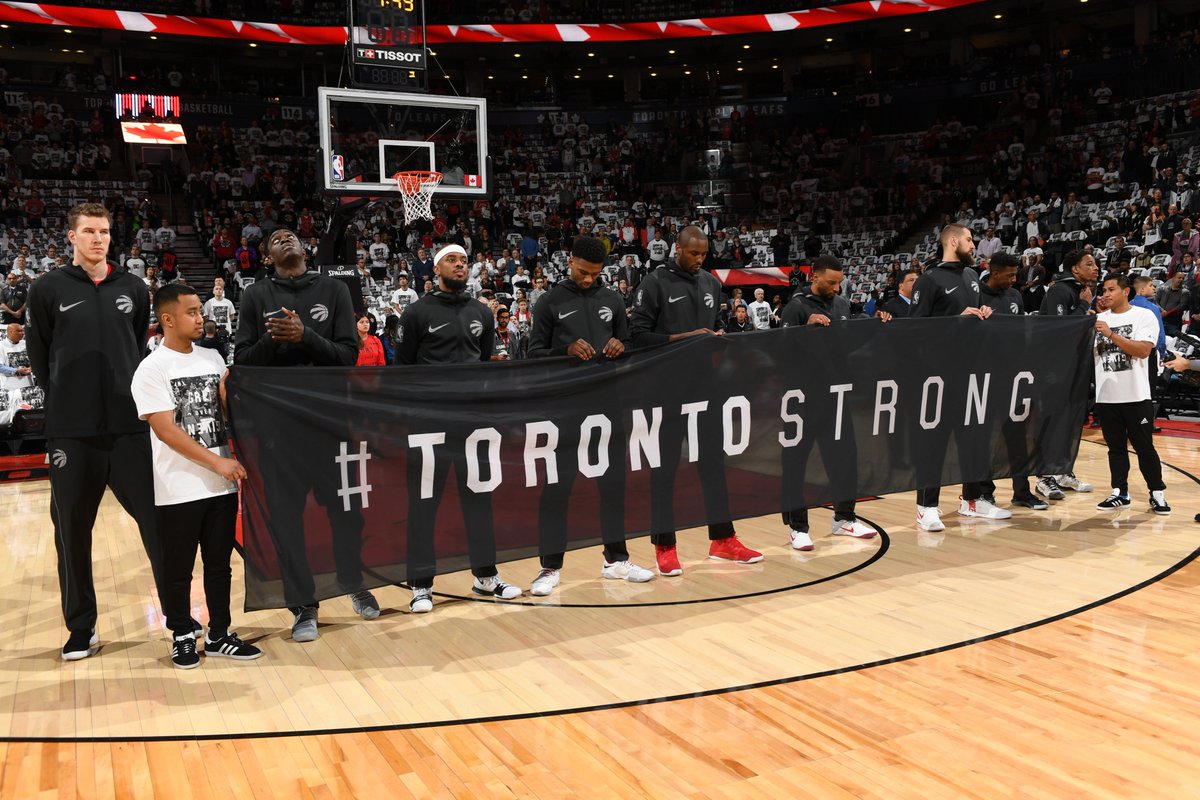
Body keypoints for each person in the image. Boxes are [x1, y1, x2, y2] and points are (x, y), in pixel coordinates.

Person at [25, 203, 168, 661]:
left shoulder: (133, 287)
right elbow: (43, 358)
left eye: (104, 232)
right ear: (71, 237)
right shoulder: (46, 288)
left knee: (158, 524)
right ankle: (81, 627)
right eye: (88, 231)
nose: (98, 239)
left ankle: (179, 616)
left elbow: (137, 349)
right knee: (72, 532)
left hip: (130, 428)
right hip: (72, 432)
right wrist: (69, 402)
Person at [233, 227, 377, 642]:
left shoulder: (334, 289)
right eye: (275, 239)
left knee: (346, 512)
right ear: (267, 257)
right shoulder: (255, 295)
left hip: (330, 421)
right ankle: (303, 605)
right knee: (287, 518)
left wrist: (305, 337)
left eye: (290, 235)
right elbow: (242, 360)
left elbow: (348, 356)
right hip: (278, 428)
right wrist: (273, 341)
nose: (284, 239)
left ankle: (354, 582)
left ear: (304, 247)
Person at [130, 283, 262, 669]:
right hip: (178, 487)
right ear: (167, 319)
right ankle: (183, 635)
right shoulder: (151, 368)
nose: (201, 317)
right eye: (191, 312)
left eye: (200, 310)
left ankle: (219, 633)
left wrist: (228, 394)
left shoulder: (213, 359)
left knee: (219, 565)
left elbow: (223, 413)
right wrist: (219, 462)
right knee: (179, 569)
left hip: (220, 483)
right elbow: (166, 430)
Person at [395, 244, 525, 612]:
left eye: (464, 261)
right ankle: (420, 584)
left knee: (478, 501)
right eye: (451, 260)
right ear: (436, 269)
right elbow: (403, 370)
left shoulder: (480, 313)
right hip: (428, 425)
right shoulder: (416, 313)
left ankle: (486, 576)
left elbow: (483, 363)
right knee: (425, 504)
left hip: (470, 424)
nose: (459, 265)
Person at [524, 236, 655, 596]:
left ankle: (616, 560)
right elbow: (534, 353)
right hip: (564, 405)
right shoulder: (550, 301)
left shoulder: (612, 298)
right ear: (570, 262)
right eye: (582, 272)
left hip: (606, 401)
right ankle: (549, 568)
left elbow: (627, 344)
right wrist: (564, 349)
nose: (587, 279)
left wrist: (620, 345)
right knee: (558, 487)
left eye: (594, 274)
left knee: (612, 483)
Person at [631, 225, 762, 576]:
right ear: (678, 249)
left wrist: (719, 336)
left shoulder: (710, 283)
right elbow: (637, 336)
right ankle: (665, 546)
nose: (699, 259)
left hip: (705, 388)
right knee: (665, 469)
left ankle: (722, 540)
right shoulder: (654, 283)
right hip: (665, 390)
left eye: (703, 254)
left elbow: (715, 324)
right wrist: (686, 338)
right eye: (693, 253)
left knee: (713, 465)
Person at [909, 223, 1010, 531]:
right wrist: (957, 320)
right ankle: (926, 507)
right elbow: (914, 330)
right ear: (952, 241)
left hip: (973, 373)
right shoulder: (928, 281)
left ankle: (973, 500)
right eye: (969, 240)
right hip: (939, 375)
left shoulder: (971, 277)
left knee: (976, 439)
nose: (973, 245)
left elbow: (972, 318)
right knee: (935, 442)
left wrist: (983, 316)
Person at [779, 255, 884, 549]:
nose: (838, 288)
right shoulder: (796, 307)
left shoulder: (840, 305)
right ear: (815, 277)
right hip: (800, 398)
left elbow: (846, 344)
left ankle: (844, 518)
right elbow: (779, 351)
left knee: (844, 458)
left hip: (835, 394)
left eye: (840, 282)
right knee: (795, 462)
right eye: (831, 282)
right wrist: (804, 328)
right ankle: (797, 527)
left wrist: (874, 325)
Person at [1093, 274, 1169, 514]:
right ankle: (1119, 492)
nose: (1105, 294)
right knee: (1115, 448)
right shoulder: (1097, 319)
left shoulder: (1144, 315)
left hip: (1136, 396)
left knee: (1144, 447)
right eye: (1103, 290)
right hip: (1106, 397)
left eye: (1111, 290)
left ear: (1126, 291)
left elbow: (1143, 351)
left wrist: (1111, 335)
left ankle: (1157, 493)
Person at [977, 253, 1047, 510]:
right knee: (984, 438)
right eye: (1010, 274)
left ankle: (1022, 492)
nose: (1015, 279)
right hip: (984, 379)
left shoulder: (1015, 296)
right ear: (995, 273)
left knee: (1018, 437)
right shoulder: (976, 294)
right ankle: (984, 493)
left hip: (1013, 378)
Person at [1036, 250, 1099, 499]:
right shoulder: (1060, 290)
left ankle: (1062, 471)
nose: (1096, 268)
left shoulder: (1079, 291)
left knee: (1069, 422)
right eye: (1090, 264)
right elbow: (1059, 329)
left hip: (1073, 366)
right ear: (1074, 269)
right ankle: (1044, 477)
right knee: (1050, 422)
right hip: (1052, 368)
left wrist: (1088, 315)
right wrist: (1084, 305)